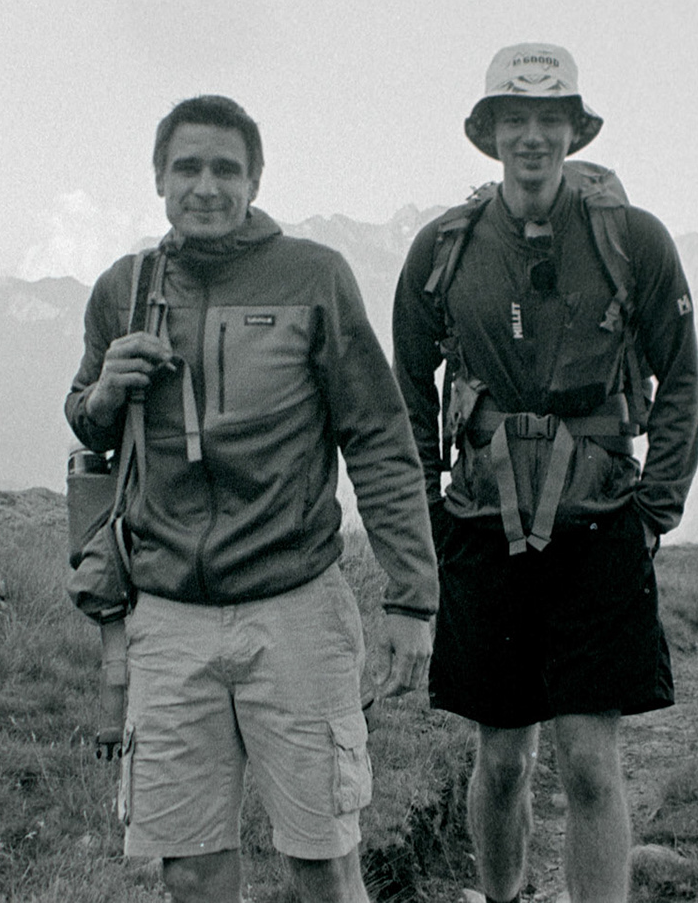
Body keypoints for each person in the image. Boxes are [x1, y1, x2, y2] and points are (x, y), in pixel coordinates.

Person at [66, 94, 438, 903]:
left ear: (256, 180)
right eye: (187, 168)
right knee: (191, 872)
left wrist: (413, 596)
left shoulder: (315, 276)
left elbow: (378, 437)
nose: (206, 186)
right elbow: (86, 419)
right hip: (167, 617)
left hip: (295, 607)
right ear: (158, 178)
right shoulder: (122, 289)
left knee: (324, 864)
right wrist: (103, 394)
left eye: (225, 169)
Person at [392, 45, 698, 903]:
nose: (532, 137)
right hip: (483, 525)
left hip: (600, 523)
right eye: (515, 119)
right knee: (501, 760)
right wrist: (427, 515)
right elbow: (407, 389)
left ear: (573, 130)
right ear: (490, 134)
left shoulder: (633, 240)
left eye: (549, 119)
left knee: (590, 762)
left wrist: (655, 510)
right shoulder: (442, 250)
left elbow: (680, 375)